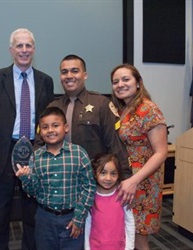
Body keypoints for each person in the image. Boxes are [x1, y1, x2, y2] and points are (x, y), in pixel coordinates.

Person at [0, 28, 54, 250]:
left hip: (34, 151)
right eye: (19, 46)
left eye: (28, 45)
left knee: (32, 210)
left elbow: (48, 118)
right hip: (3, 153)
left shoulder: (46, 80)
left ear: (34, 49)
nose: (24, 50)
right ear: (11, 50)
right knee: (0, 211)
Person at [41, 54, 132, 183]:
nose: (69, 76)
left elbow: (115, 145)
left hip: (93, 181)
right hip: (59, 182)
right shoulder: (52, 107)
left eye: (75, 71)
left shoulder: (101, 104)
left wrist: (126, 179)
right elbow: (40, 145)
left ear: (85, 75)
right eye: (64, 72)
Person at [16, 107, 96, 250]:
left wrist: (78, 218)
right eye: (45, 127)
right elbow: (33, 191)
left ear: (65, 128)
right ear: (40, 132)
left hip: (71, 218)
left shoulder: (79, 154)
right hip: (44, 219)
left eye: (55, 125)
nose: (50, 130)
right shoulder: (36, 157)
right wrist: (26, 178)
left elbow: (89, 187)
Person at [110, 64, 168, 250]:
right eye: (115, 81)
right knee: (128, 231)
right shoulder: (123, 110)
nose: (120, 84)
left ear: (138, 83)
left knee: (139, 235)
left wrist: (134, 180)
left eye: (126, 79)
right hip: (126, 179)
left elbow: (161, 153)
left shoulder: (148, 109)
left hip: (142, 181)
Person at [84, 153, 135, 250]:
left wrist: (129, 247)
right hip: (96, 246)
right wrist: (87, 247)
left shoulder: (122, 195)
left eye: (113, 173)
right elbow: (87, 224)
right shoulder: (91, 196)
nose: (108, 178)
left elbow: (129, 222)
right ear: (95, 173)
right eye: (103, 173)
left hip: (119, 246)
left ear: (118, 174)